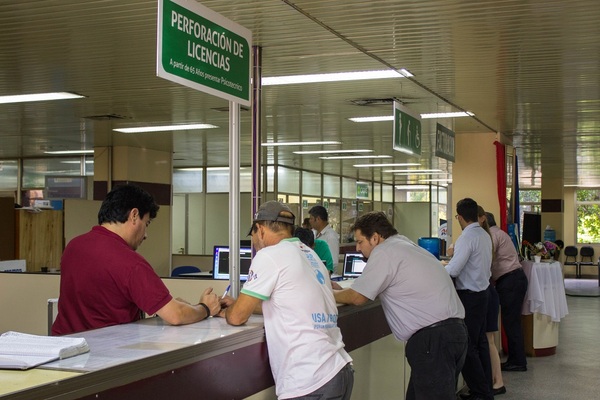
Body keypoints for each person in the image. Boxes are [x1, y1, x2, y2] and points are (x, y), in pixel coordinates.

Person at [223, 201, 354, 400]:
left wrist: (223, 310)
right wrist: (238, 304)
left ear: (260, 229)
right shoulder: (310, 254)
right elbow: (285, 303)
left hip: (310, 380)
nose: (254, 242)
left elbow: (237, 317)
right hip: (338, 369)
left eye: (253, 235)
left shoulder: (269, 255)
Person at [52, 184, 223, 336]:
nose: (146, 235)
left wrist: (168, 306)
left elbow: (101, 300)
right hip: (106, 355)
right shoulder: (129, 261)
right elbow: (175, 315)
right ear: (134, 215)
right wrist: (205, 308)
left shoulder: (74, 246)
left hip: (64, 349)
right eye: (146, 224)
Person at [333, 211, 468, 400]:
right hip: (452, 334)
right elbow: (366, 288)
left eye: (360, 241)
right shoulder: (403, 244)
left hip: (433, 341)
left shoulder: (384, 251)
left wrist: (325, 293)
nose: (357, 248)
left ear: (375, 238)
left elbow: (358, 297)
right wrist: (339, 289)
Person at [445, 198, 493, 400]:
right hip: (483, 293)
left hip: (470, 297)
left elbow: (454, 269)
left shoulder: (467, 237)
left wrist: (439, 269)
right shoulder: (483, 234)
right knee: (479, 343)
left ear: (460, 217)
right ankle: (485, 388)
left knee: (468, 346)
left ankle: (480, 392)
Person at [485, 211, 528, 372]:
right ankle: (516, 359)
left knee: (511, 322)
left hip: (510, 280)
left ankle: (518, 361)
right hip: (513, 279)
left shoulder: (493, 236)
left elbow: (486, 258)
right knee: (512, 322)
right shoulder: (499, 233)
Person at [477, 207, 506, 396]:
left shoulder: (481, 239)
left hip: (486, 292)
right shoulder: (487, 237)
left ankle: (497, 382)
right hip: (491, 291)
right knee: (488, 341)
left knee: (488, 341)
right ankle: (494, 380)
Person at [308, 205, 340, 270]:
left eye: (311, 218)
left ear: (318, 219)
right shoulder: (313, 233)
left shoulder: (331, 236)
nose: (309, 221)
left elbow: (333, 262)